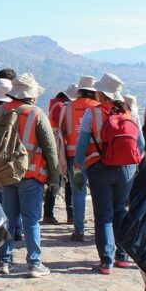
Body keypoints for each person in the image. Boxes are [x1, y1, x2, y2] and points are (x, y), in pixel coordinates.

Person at [0, 73, 60, 278]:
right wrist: (55, 179)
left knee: (8, 219)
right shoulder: (36, 114)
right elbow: (50, 149)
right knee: (31, 220)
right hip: (30, 175)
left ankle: (4, 262)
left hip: (5, 174)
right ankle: (34, 263)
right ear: (31, 95)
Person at [74, 73, 140, 274]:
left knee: (104, 214)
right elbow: (142, 144)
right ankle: (122, 256)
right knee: (121, 209)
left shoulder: (91, 114)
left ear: (100, 93)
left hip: (99, 167)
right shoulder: (130, 112)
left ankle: (106, 260)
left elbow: (82, 145)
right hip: (127, 168)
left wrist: (78, 169)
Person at [57, 75, 101, 241]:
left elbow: (61, 133)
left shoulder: (67, 107)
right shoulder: (99, 107)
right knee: (99, 193)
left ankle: (79, 230)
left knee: (78, 192)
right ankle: (100, 228)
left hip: (74, 158)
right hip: (95, 158)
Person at [42, 84, 77, 226]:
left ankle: (50, 214)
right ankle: (67, 214)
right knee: (64, 181)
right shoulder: (62, 107)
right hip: (61, 148)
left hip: (56, 147)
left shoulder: (55, 105)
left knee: (57, 179)